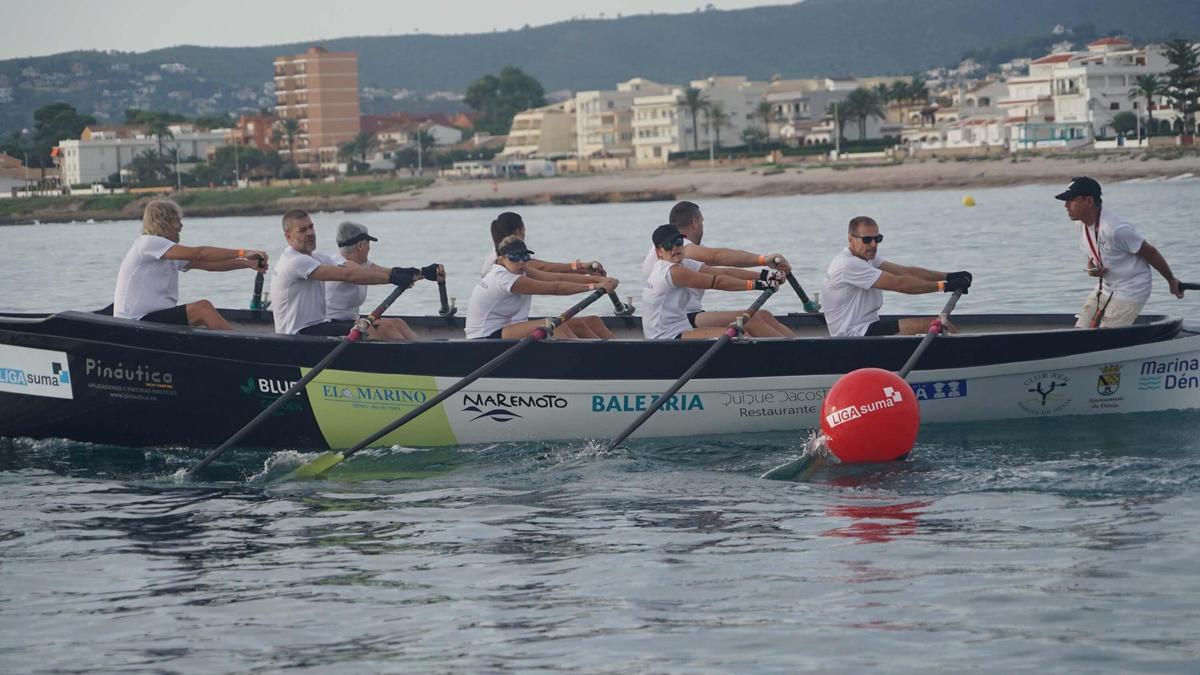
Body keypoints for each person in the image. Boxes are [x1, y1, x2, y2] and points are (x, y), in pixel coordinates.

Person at [271, 209, 440, 337]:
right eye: (302, 230)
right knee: (376, 330)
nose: (310, 233)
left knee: (397, 323)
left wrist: (414, 273)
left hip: (317, 327)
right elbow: (347, 275)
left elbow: (357, 269)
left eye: (311, 227)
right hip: (297, 335)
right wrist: (393, 278)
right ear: (288, 236)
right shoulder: (294, 261)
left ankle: (427, 359)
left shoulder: (315, 257)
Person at [641, 200, 794, 337]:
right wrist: (762, 272)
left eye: (678, 241)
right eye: (668, 246)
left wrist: (766, 276)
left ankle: (797, 348)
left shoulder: (681, 257)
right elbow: (717, 268)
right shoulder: (675, 262)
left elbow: (723, 271)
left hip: (683, 321)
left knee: (764, 315)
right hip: (674, 327)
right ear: (695, 222)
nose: (674, 247)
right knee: (746, 326)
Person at [113, 198, 267, 329]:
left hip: (154, 320)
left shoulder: (167, 251)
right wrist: (242, 252)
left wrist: (247, 264)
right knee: (203, 309)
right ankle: (243, 346)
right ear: (163, 223)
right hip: (134, 324)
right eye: (177, 221)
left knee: (201, 312)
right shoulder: (148, 243)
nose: (181, 226)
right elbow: (199, 254)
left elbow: (209, 265)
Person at [1055, 176, 1184, 328]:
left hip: (1132, 288)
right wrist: (1093, 269)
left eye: (1071, 200)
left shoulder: (1116, 229)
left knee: (1106, 335)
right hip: (1106, 287)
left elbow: (1151, 253)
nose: (1066, 205)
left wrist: (1171, 280)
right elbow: (1102, 254)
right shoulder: (1080, 225)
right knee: (1080, 330)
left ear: (1089, 201)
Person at [820, 216, 972, 337]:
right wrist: (944, 286)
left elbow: (906, 272)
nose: (873, 244)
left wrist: (949, 276)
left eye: (877, 239)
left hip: (869, 326)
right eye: (867, 239)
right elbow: (899, 283)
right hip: (853, 335)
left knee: (937, 324)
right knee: (938, 325)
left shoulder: (867, 258)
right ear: (851, 240)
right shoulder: (849, 264)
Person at [465, 236, 618, 339]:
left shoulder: (521, 269)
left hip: (507, 327)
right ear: (501, 260)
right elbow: (555, 288)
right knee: (555, 326)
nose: (520, 262)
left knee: (592, 321)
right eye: (514, 257)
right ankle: (593, 365)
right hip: (485, 336)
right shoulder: (505, 279)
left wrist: (602, 280)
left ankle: (620, 358)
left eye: (524, 257)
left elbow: (557, 278)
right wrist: (595, 286)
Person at [324, 221, 422, 340]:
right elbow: (369, 275)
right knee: (386, 327)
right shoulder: (340, 265)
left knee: (398, 322)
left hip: (352, 321)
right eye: (368, 243)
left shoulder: (363, 264)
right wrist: (396, 279)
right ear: (360, 245)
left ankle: (427, 351)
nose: (369, 247)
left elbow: (388, 272)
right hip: (329, 324)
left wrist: (420, 273)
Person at [480, 211, 608, 278]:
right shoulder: (507, 259)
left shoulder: (503, 254)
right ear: (519, 231)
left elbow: (547, 272)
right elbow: (546, 273)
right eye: (524, 230)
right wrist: (591, 280)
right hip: (502, 326)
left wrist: (584, 270)